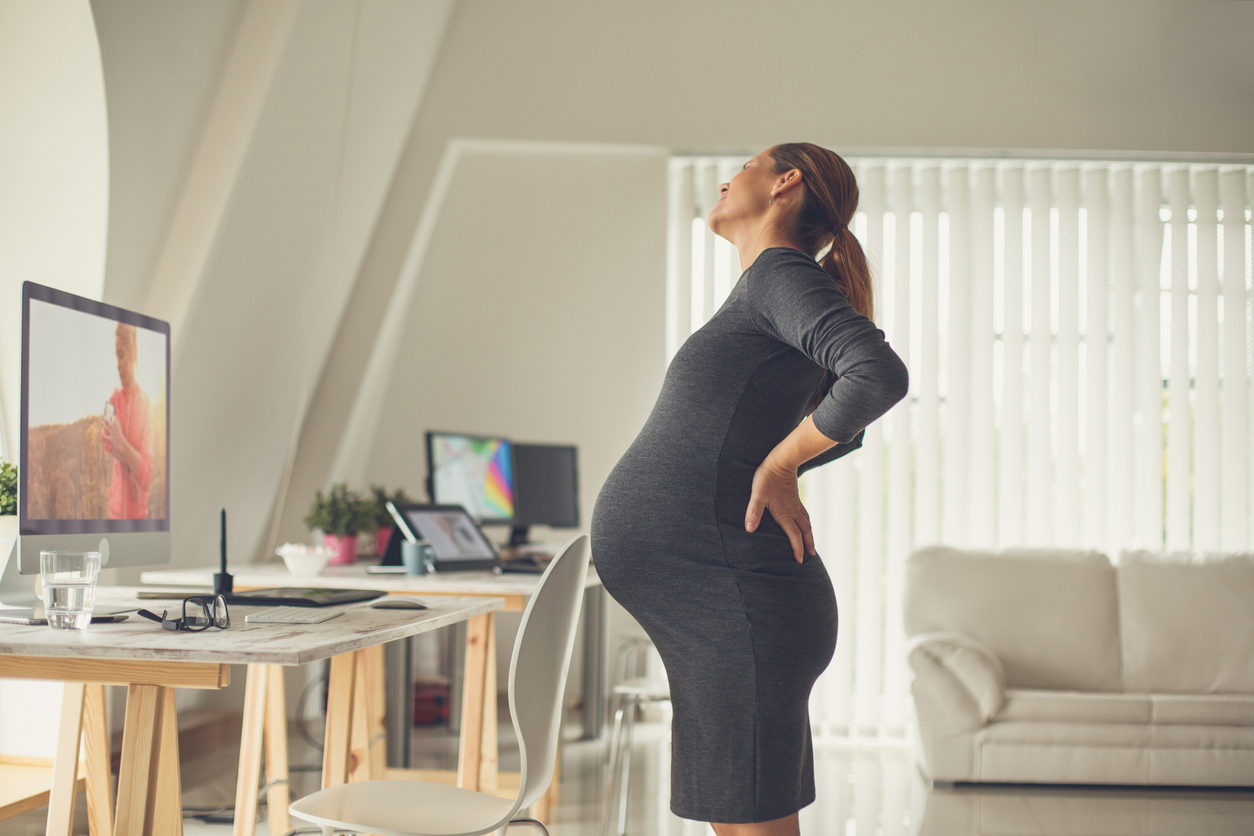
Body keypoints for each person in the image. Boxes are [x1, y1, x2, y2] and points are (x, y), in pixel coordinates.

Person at [591, 144, 909, 835]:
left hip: (737, 608)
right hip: (720, 612)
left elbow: (875, 376)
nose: (725, 178)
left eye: (744, 164)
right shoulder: (769, 286)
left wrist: (782, 465)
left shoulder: (779, 275)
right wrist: (778, 459)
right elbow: (839, 418)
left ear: (785, 183)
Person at [102, 323, 153, 519]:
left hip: (138, 518)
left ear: (132, 354)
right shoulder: (114, 400)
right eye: (116, 357)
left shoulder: (146, 404)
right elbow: (107, 442)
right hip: (115, 515)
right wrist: (134, 464)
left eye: (121, 355)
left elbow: (147, 475)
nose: (118, 364)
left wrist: (121, 441)